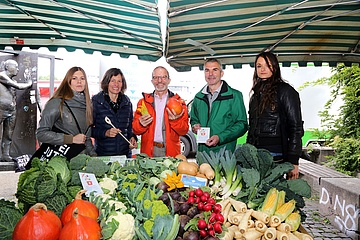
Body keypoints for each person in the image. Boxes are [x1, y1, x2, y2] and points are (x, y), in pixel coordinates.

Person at [246, 52, 304, 180]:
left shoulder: (286, 91)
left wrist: (293, 161)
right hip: (255, 154)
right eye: (259, 66)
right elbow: (252, 127)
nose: (263, 69)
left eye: (268, 65)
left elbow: (296, 128)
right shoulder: (255, 94)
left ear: (275, 67)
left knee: (275, 193)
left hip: (276, 155)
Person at [190, 58, 248, 155]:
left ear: (222, 73)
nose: (210, 74)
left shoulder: (234, 96)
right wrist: (194, 126)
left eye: (215, 70)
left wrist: (220, 137)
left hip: (225, 155)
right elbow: (194, 119)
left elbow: (242, 125)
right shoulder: (198, 97)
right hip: (203, 154)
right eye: (207, 70)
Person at [36, 66, 96, 156]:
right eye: (74, 78)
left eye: (82, 78)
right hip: (60, 160)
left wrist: (93, 155)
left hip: (80, 162)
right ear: (68, 81)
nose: (79, 82)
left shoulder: (88, 105)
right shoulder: (57, 103)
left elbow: (85, 138)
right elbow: (41, 134)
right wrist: (71, 139)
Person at [132, 66, 189, 157]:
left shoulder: (179, 103)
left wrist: (175, 121)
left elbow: (184, 130)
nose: (159, 81)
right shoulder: (143, 102)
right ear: (152, 81)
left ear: (169, 80)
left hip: (171, 153)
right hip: (148, 152)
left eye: (163, 77)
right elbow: (135, 129)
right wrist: (141, 124)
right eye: (156, 77)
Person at [92, 68, 137, 158]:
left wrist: (132, 138)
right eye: (113, 81)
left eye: (119, 81)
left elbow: (130, 128)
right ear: (107, 82)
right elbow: (89, 130)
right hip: (103, 155)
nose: (116, 84)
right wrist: (105, 133)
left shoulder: (127, 103)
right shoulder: (96, 102)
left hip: (124, 155)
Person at [0, 59, 32, 161]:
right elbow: (18, 87)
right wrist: (29, 83)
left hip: (11, 110)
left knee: (8, 134)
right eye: (16, 67)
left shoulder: (12, 81)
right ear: (7, 67)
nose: (18, 69)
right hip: (1, 110)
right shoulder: (1, 76)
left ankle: (5, 155)